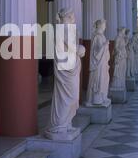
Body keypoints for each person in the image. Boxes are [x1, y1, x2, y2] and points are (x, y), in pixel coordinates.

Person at [44, 8, 85, 140]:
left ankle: (66, 123)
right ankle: (59, 125)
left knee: (70, 97)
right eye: (72, 15)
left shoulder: (68, 30)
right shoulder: (64, 30)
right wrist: (81, 49)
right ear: (67, 16)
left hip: (70, 68)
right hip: (66, 70)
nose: (74, 17)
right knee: (68, 97)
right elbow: (75, 48)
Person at [86, 19, 110, 106]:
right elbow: (96, 53)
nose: (105, 27)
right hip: (98, 64)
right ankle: (96, 99)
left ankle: (103, 96)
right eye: (104, 25)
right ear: (100, 25)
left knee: (104, 79)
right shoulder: (97, 36)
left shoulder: (102, 36)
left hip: (103, 63)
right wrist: (105, 45)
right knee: (98, 80)